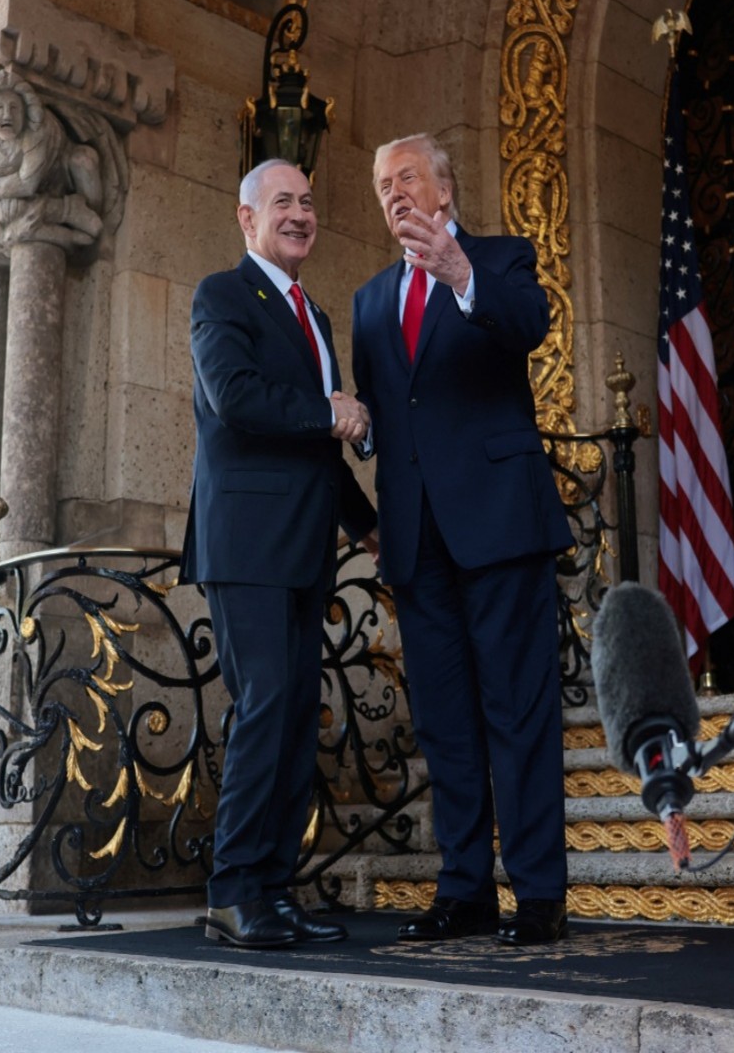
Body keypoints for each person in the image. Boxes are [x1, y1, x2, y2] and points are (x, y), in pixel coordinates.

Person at [351, 133, 573, 946]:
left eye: (406, 177)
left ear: (444, 189)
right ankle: (465, 888)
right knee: (445, 720)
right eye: (382, 185)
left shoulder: (502, 258)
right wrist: (360, 430)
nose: (394, 193)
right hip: (416, 539)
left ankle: (540, 892)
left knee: (518, 709)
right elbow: (383, 414)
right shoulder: (370, 301)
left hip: (500, 520)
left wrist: (459, 273)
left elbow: (529, 325)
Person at [180, 158, 378, 948]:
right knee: (265, 706)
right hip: (247, 544)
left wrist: (367, 526)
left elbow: (320, 452)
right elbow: (238, 398)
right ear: (247, 218)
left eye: (308, 201)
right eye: (283, 202)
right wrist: (329, 408)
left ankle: (271, 890)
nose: (300, 213)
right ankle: (231, 892)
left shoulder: (316, 316)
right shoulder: (221, 296)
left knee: (298, 715)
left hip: (304, 547)